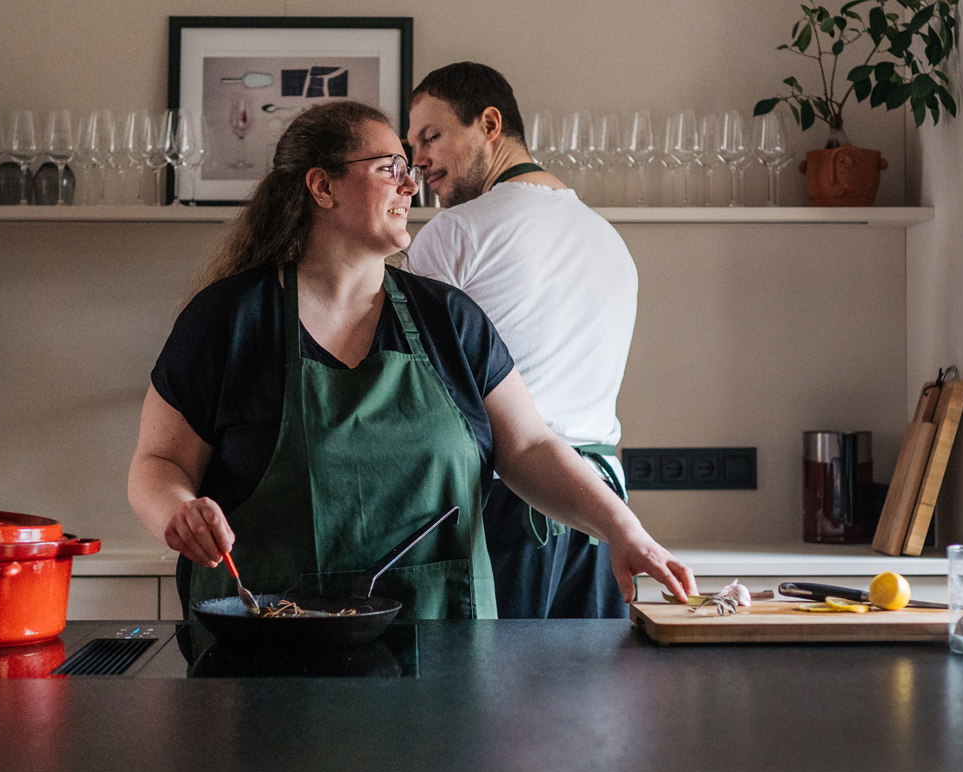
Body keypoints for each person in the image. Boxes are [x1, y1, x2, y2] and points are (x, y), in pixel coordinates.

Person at [128, 99, 695, 618]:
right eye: (390, 168)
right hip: (268, 652)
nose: (411, 185)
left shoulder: (450, 319)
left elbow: (528, 447)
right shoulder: (227, 321)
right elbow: (157, 464)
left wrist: (623, 528)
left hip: (441, 652)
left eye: (409, 169)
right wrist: (177, 510)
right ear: (322, 186)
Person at [404, 62, 642, 618]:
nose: (418, 161)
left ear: (490, 124)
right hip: (601, 511)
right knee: (589, 674)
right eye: (412, 146)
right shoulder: (608, 240)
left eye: (431, 137)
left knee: (487, 675)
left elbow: (417, 389)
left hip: (504, 508)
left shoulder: (455, 232)